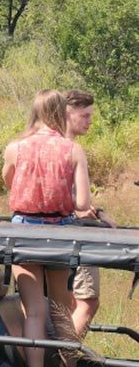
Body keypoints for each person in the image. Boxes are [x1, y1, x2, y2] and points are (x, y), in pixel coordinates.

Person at [2, 89, 92, 367]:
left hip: (24, 231)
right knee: (62, 310)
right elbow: (83, 204)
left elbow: (9, 181)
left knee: (34, 311)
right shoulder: (73, 149)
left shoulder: (15, 147)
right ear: (60, 112)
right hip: (60, 233)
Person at [64, 89, 118, 340]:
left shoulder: (49, 145)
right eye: (84, 115)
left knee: (68, 303)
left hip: (52, 231)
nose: (89, 121)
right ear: (68, 113)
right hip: (75, 233)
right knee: (87, 302)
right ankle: (65, 366)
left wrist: (98, 212)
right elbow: (78, 202)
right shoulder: (72, 149)